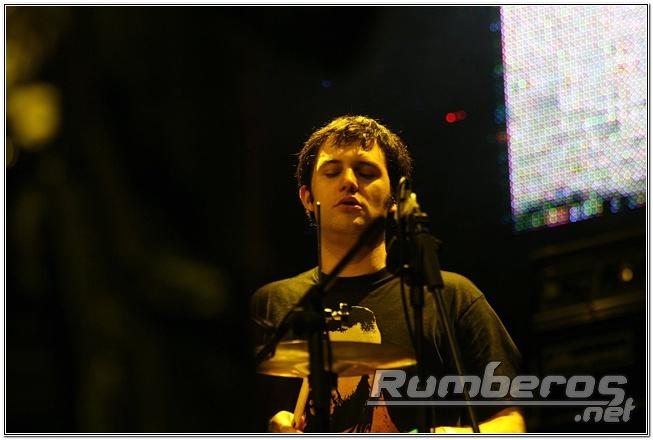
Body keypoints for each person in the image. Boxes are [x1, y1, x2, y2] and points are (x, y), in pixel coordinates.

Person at [250, 115, 526, 433]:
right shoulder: (270, 305)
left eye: (366, 172)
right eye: (332, 171)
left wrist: (448, 435)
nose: (349, 182)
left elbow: (512, 422)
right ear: (307, 198)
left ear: (394, 199)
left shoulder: (449, 297)